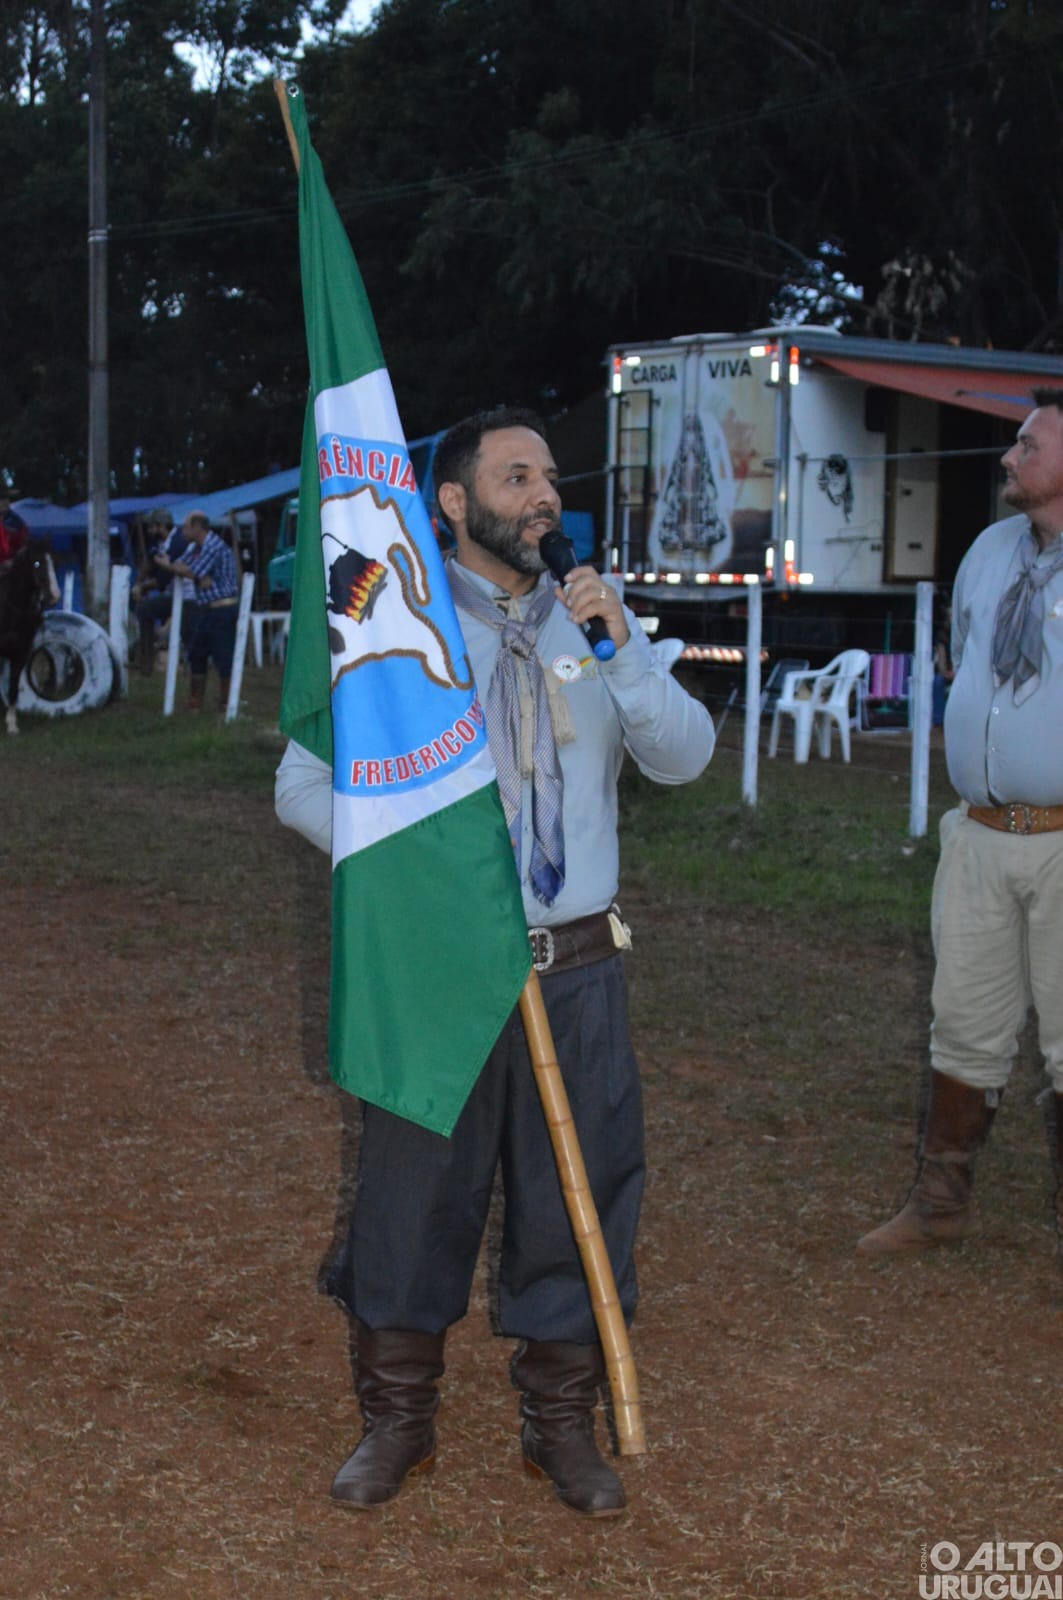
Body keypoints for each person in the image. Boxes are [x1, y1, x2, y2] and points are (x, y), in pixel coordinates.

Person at [274, 407, 715, 1516]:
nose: (543, 494)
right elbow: (301, 786)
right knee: (413, 1197)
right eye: (515, 476)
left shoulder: (594, 620)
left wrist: (621, 651)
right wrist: (413, 876)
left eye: (549, 476)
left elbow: (683, 758)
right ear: (453, 502)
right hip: (444, 967)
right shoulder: (393, 623)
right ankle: (397, 1422)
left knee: (580, 1197)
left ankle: (559, 1426)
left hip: (577, 968)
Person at [858, 387, 1063, 1259]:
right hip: (979, 833)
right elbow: (960, 659)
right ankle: (938, 1203)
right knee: (963, 1020)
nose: (1009, 457)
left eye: (1028, 445)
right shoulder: (987, 550)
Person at [155, 509, 238, 710]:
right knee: (196, 652)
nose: (182, 531)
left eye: (185, 527)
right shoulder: (195, 547)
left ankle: (226, 702)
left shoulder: (212, 546)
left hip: (222, 608)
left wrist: (188, 572)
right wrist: (193, 574)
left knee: (223, 655)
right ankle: (195, 701)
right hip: (206, 608)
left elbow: (190, 570)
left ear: (197, 527)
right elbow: (181, 565)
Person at [131, 510, 192, 673]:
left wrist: (141, 587)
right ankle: (145, 659)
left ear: (161, 526)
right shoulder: (161, 542)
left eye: (152, 527)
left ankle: (147, 661)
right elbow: (150, 562)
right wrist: (138, 582)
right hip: (175, 594)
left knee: (146, 610)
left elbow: (162, 580)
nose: (149, 531)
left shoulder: (178, 543)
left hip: (188, 596)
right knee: (145, 610)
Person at [0, 487, 28, 574]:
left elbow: (25, 545)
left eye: (7, 499)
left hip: (12, 567)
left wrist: (12, 560)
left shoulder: (16, 521)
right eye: (1, 499)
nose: (5, 502)